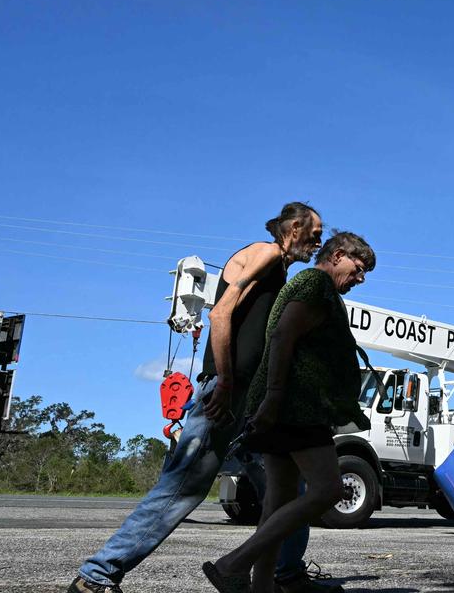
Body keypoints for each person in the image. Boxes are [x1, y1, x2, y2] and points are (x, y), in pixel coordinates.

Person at [70, 203, 338, 593]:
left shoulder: (279, 270)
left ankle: (288, 575)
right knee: (182, 488)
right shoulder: (266, 253)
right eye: (314, 233)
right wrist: (225, 383)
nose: (317, 242)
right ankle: (96, 576)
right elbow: (220, 314)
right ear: (294, 227)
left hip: (248, 400)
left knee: (289, 489)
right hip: (227, 395)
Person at [203, 231, 375, 593]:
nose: (360, 279)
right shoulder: (315, 283)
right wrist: (275, 398)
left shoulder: (313, 287)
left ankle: (262, 587)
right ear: (338, 255)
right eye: (358, 269)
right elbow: (283, 337)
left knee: (276, 505)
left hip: (284, 406)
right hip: (297, 406)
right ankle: (233, 563)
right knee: (328, 490)